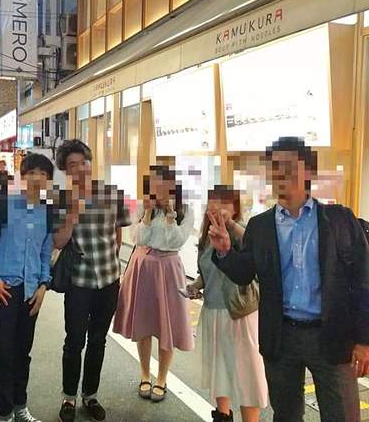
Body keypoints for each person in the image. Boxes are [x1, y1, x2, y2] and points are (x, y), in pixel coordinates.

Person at [208, 137, 369, 422]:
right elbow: (245, 273)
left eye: (289, 166)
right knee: (286, 415)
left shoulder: (340, 220)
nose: (280, 173)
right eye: (274, 167)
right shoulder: (260, 226)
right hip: (281, 336)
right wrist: (225, 252)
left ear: (309, 171)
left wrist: (364, 340)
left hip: (332, 335)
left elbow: (363, 281)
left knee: (342, 415)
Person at [53, 140, 131, 422]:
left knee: (98, 340)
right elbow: (58, 241)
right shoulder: (60, 199)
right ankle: (69, 397)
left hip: (109, 280)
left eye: (83, 162)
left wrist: (113, 265)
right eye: (72, 165)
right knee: (74, 341)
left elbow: (118, 233)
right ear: (65, 170)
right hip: (79, 282)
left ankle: (90, 395)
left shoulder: (112, 193)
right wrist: (72, 215)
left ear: (90, 163)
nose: (79, 169)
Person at [0, 153, 54, 422]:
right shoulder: (1, 204)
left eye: (43, 174)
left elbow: (45, 253)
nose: (37, 179)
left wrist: (43, 286)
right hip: (3, 290)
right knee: (4, 355)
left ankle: (21, 407)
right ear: (22, 176)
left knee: (23, 353)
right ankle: (4, 413)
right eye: (32, 173)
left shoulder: (47, 211)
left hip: (31, 292)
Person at [113, 165, 195, 403]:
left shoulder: (184, 210)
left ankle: (162, 378)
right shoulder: (143, 206)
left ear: (173, 186)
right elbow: (137, 238)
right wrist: (148, 214)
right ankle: (144, 374)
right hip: (143, 267)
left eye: (164, 184)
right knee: (144, 323)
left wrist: (170, 217)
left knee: (167, 325)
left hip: (169, 269)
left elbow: (176, 241)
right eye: (155, 184)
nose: (159, 189)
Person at [188, 186, 268, 422]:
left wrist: (230, 225)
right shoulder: (206, 236)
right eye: (213, 201)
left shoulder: (242, 231)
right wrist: (196, 286)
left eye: (224, 202)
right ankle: (222, 415)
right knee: (220, 371)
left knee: (247, 375)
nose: (217, 207)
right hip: (212, 313)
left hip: (240, 314)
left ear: (235, 208)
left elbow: (257, 251)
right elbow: (206, 272)